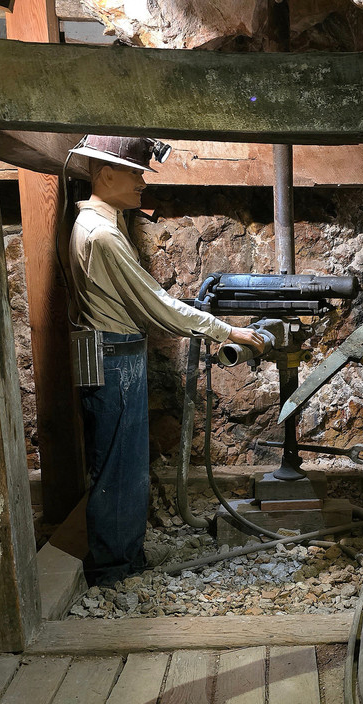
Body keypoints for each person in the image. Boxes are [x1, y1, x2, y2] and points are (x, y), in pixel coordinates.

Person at [66, 135, 265, 586]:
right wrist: (226, 330)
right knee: (120, 464)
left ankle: (123, 558)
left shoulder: (98, 224)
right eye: (136, 173)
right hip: (115, 357)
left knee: (118, 459)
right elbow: (157, 305)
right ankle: (115, 569)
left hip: (110, 351)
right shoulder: (102, 235)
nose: (142, 182)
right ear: (106, 174)